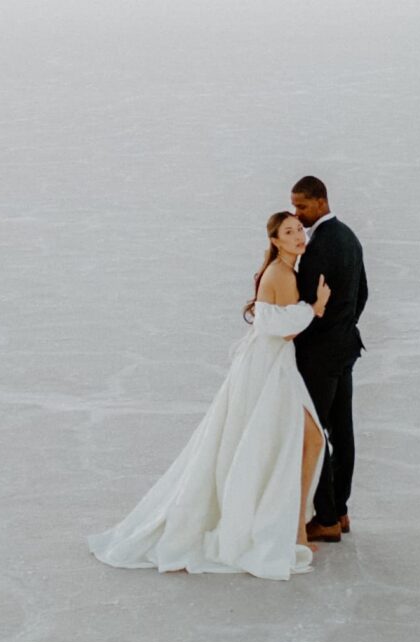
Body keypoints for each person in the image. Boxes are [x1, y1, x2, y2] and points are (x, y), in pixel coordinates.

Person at [88, 212, 332, 580]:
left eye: (299, 229)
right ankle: (283, 528)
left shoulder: (287, 272)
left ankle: (294, 527)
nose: (298, 235)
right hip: (268, 370)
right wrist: (314, 309)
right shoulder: (280, 274)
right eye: (289, 232)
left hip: (275, 367)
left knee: (299, 440)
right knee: (284, 441)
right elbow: (279, 330)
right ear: (275, 240)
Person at [278, 175, 365, 540]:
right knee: (342, 431)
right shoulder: (349, 237)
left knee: (316, 433)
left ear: (321, 201)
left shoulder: (321, 247)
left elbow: (310, 306)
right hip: (346, 347)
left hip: (321, 355)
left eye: (301, 206)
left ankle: (326, 517)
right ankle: (341, 511)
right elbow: (362, 295)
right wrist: (344, 330)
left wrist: (301, 338)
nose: (297, 213)